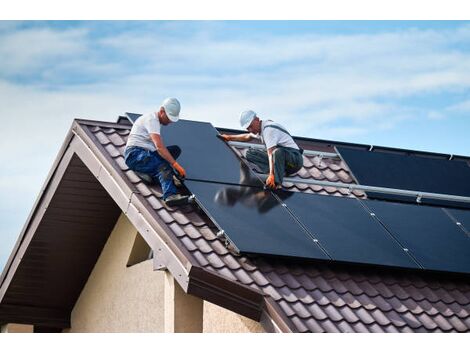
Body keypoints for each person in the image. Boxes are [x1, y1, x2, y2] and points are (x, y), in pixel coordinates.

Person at [124, 97, 189, 207]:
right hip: (135, 155)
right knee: (163, 167)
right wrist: (175, 165)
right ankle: (170, 196)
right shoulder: (152, 120)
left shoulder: (156, 121)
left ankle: (149, 174)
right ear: (162, 111)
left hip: (144, 154)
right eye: (169, 118)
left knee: (174, 150)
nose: (170, 121)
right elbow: (159, 147)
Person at [220, 110, 303, 190]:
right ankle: (279, 172)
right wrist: (229, 137)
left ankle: (276, 183)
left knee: (277, 152)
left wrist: (271, 175)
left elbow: (271, 153)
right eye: (248, 128)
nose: (251, 130)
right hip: (281, 160)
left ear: (257, 119)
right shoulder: (260, 129)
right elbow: (247, 136)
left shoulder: (268, 129)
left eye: (251, 126)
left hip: (294, 161)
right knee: (250, 153)